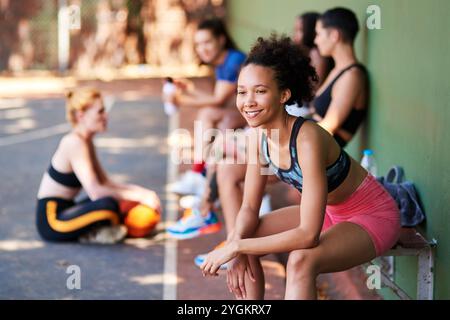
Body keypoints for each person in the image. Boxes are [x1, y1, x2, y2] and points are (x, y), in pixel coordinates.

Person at [199, 33, 400, 300]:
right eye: (242, 91)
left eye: (260, 91)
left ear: (283, 94)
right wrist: (237, 246)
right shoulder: (259, 138)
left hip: (370, 217)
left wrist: (236, 245)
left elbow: (307, 235)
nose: (248, 101)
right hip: (330, 214)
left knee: (301, 261)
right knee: (247, 240)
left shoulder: (307, 139)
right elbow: (248, 207)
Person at [36, 87, 161, 243]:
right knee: (107, 204)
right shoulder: (74, 143)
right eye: (100, 112)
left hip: (67, 209)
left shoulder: (85, 141)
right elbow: (96, 192)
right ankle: (95, 233)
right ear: (81, 116)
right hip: (52, 221)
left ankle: (96, 230)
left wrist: (142, 193)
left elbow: (106, 183)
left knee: (113, 200)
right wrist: (139, 196)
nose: (105, 116)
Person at [166, 18, 247, 239]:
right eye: (198, 44)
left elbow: (218, 100)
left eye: (207, 42)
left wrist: (181, 99)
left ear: (221, 40)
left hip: (257, 115)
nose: (202, 49)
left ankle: (202, 179)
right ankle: (200, 175)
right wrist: (189, 91)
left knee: (216, 118)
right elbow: (216, 100)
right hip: (243, 113)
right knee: (210, 116)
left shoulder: (234, 61)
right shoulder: (222, 62)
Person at [310, 7, 369, 147]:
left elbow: (327, 128)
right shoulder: (337, 70)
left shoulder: (353, 76)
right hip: (308, 143)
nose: (316, 40)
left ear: (334, 35)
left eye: (318, 34)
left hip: (320, 153)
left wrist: (288, 135)